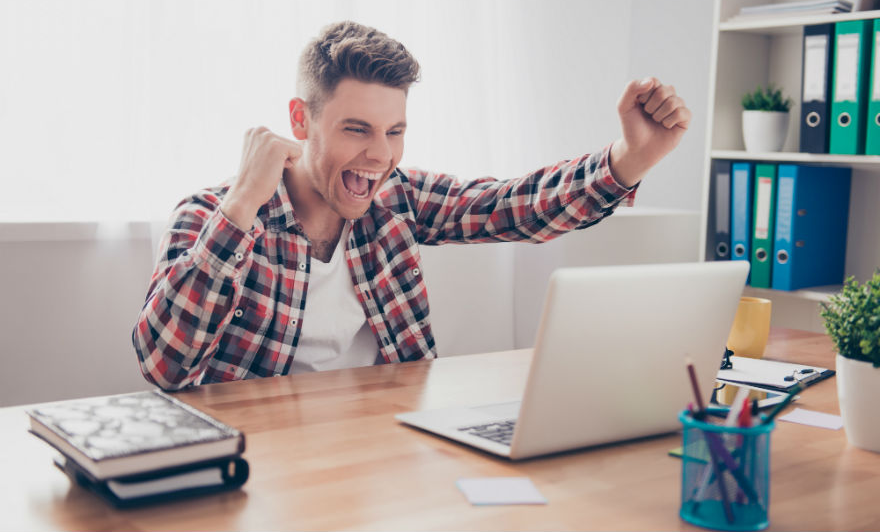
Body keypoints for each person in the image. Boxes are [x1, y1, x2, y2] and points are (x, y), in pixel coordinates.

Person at [132, 20, 691, 390]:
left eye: (394, 131)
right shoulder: (211, 215)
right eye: (357, 129)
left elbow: (511, 207)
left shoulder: (396, 200)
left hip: (386, 449)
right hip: (266, 464)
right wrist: (240, 210)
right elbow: (163, 367)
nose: (379, 156)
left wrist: (630, 159)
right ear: (301, 121)